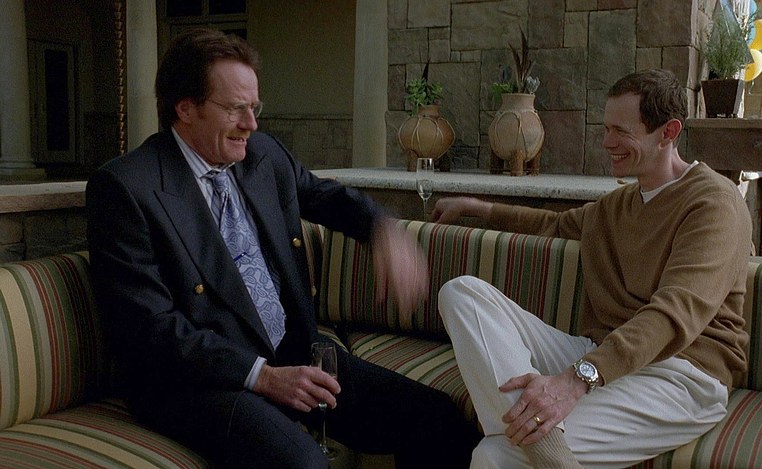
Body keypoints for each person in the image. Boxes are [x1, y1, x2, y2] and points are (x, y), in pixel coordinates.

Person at [86, 28, 478, 469]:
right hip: (201, 380)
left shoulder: (262, 154)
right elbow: (149, 330)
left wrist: (381, 228)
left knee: (438, 420)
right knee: (304, 465)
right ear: (185, 108)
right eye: (235, 109)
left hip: (292, 352)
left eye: (254, 108)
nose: (251, 124)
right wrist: (262, 377)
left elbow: (323, 195)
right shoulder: (126, 187)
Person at [432, 69, 751, 468]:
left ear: (668, 132)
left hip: (682, 374)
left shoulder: (714, 203)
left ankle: (538, 443)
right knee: (461, 292)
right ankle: (547, 447)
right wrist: (476, 208)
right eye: (606, 129)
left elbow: (674, 313)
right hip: (601, 353)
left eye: (621, 131)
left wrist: (574, 381)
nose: (606, 142)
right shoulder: (618, 205)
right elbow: (553, 224)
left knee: (496, 456)